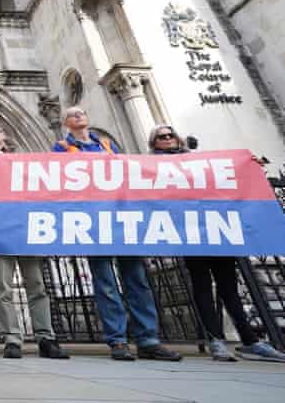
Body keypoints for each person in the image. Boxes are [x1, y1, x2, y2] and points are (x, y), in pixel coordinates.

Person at [52, 106, 181, 361]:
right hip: (92, 222)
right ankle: (118, 341)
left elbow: (130, 174)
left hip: (123, 219)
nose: (79, 115)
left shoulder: (108, 146)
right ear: (65, 123)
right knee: (106, 283)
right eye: (72, 114)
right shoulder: (61, 149)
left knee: (137, 280)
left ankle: (148, 340)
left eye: (81, 112)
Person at [149, 124, 285, 363]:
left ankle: (250, 341)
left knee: (229, 287)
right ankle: (216, 341)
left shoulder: (198, 160)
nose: (168, 138)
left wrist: (248, 167)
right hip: (189, 231)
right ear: (154, 143)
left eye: (171, 134)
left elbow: (224, 175)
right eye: (162, 136)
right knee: (202, 287)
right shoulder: (150, 166)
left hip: (217, 228)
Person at [0, 122, 69, 360]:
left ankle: (46, 337)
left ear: (3, 134)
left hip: (25, 230)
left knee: (36, 285)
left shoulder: (23, 161)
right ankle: (12, 339)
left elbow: (40, 189)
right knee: (3, 288)